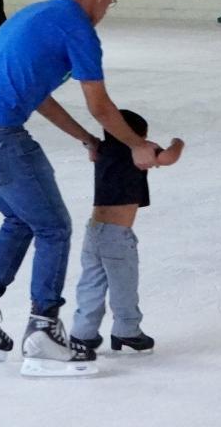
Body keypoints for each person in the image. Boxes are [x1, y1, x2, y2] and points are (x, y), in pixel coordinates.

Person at [0, 0, 176, 378]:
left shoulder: (38, 14)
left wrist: (85, 139)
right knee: (53, 227)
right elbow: (100, 105)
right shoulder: (78, 29)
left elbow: (40, 97)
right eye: (110, 1)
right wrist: (137, 145)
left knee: (21, 218)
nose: (106, 11)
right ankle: (43, 332)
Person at [69, 109, 183, 355]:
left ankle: (82, 333)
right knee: (124, 284)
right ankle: (127, 329)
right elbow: (169, 157)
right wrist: (178, 142)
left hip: (94, 232)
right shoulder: (136, 152)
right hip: (117, 236)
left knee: (91, 283)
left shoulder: (103, 150)